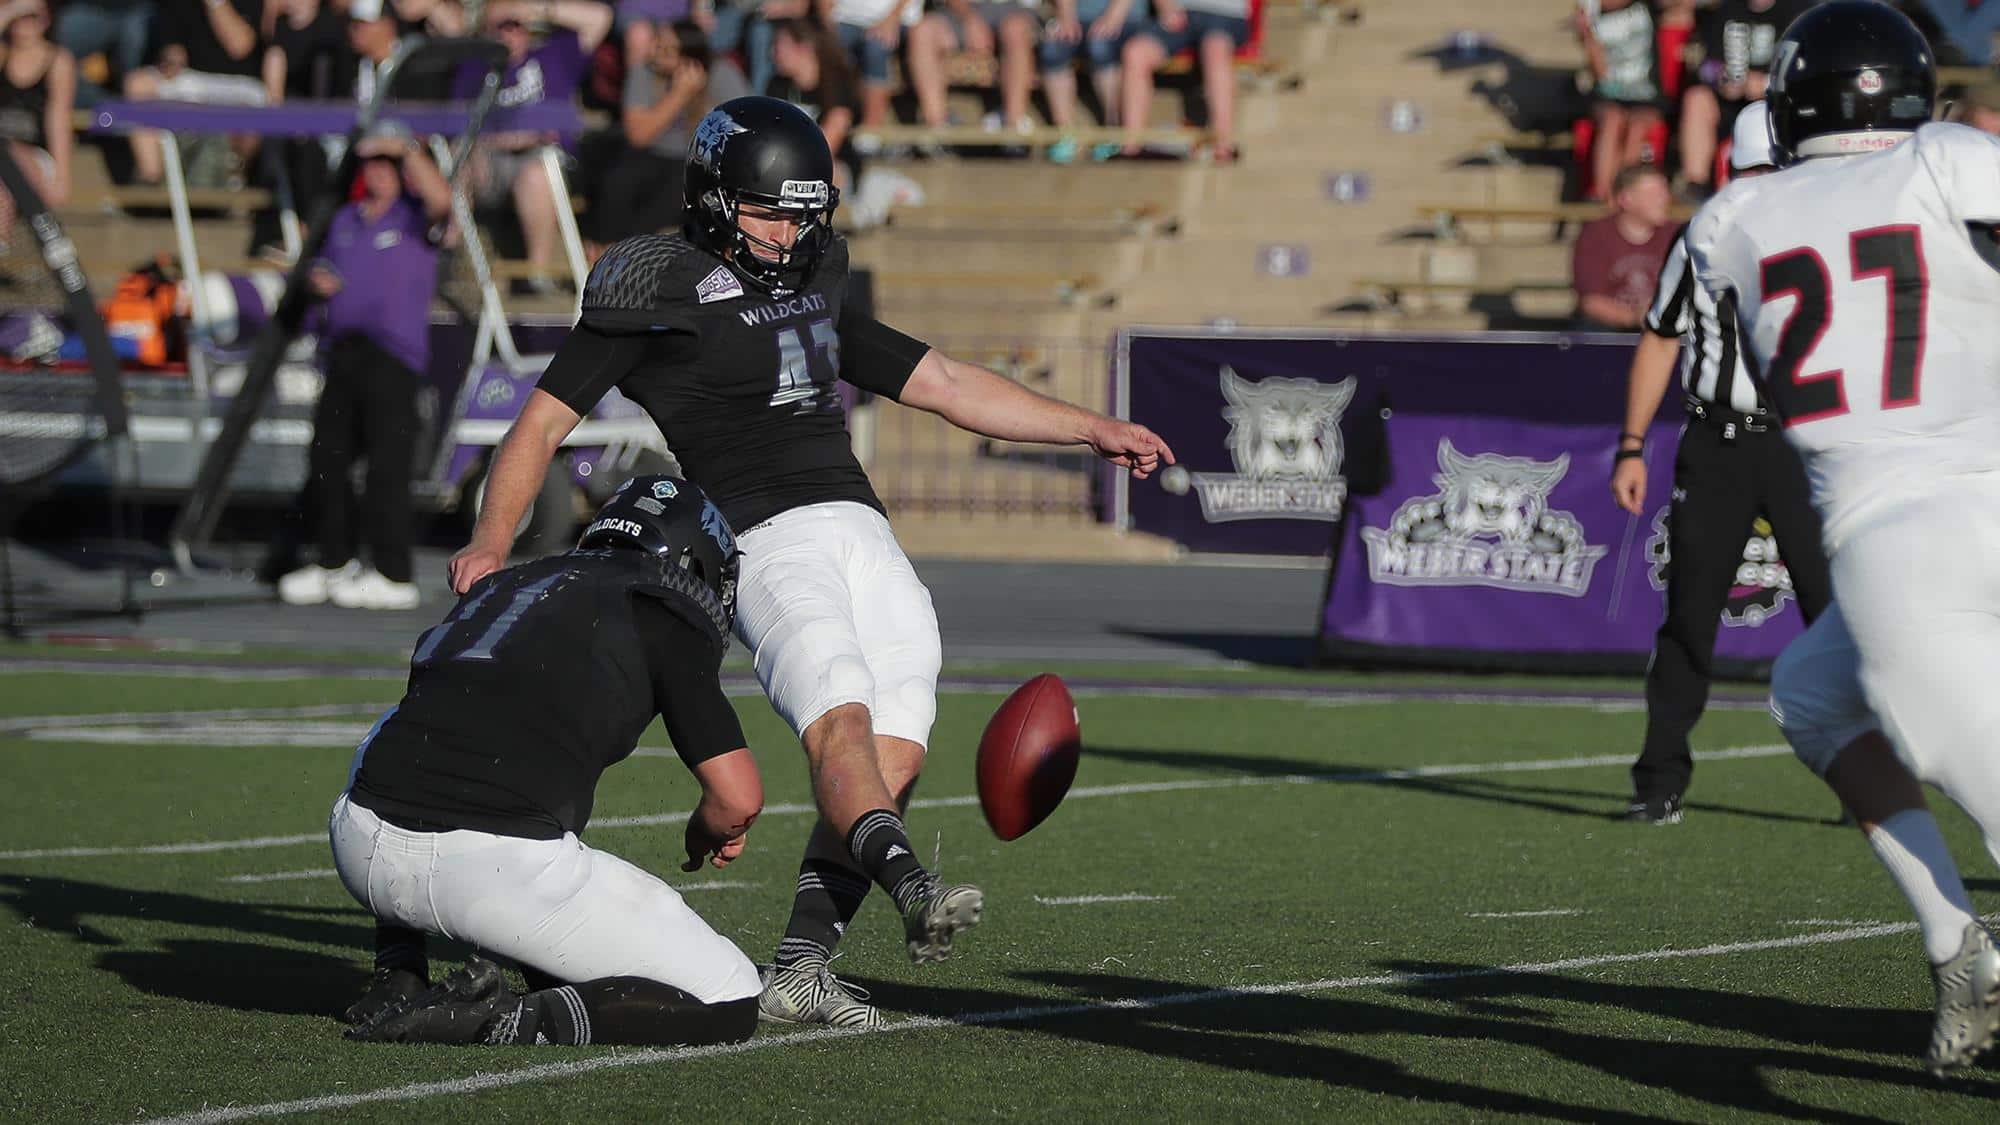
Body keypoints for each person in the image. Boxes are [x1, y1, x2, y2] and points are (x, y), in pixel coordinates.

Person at [448, 96, 1175, 1028]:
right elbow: (541, 424)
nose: (791, 231)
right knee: (839, 724)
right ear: (713, 200)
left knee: (899, 743)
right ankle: (914, 887)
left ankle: (801, 965)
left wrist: (1090, 428)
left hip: (863, 529)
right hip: (763, 539)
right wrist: (493, 539)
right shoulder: (653, 289)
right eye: (770, 210)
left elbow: (944, 384)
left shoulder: (816, 277)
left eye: (804, 212)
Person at [1686, 0, 2000, 1073]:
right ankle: (1952, 938)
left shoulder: (1729, 219)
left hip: (1895, 543)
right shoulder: (1948, 159)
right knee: (1810, 693)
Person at [336, 475, 767, 1047]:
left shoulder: (511, 583)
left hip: (361, 843)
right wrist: (706, 829)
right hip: (492, 871)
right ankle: (500, 1018)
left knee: (400, 731)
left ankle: (398, 969)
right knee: (730, 996)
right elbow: (738, 798)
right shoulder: (664, 609)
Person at [1611, 103, 1832, 824]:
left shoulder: (1828, 226)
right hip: (1721, 441)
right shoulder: (1702, 235)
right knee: (1690, 614)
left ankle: (1873, 782)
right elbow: (1659, 336)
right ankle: (1660, 778)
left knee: (1838, 616)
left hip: (1805, 442)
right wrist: (1632, 444)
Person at [277, 122, 452, 611]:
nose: (376, 173)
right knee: (327, 461)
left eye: (385, 165)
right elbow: (328, 272)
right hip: (343, 350)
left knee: (386, 469)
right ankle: (334, 561)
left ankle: (393, 572)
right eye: (370, 163)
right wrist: (319, 285)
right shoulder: (346, 220)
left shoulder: (414, 218)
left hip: (394, 356)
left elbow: (443, 202)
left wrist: (406, 147)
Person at [451, 0, 611, 295]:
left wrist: (536, 9)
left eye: (517, 25)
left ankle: (537, 274)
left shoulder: (554, 55)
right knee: (459, 155)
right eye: (503, 25)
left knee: (537, 175)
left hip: (543, 159)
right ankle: (452, 252)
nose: (510, 33)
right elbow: (459, 125)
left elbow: (600, 18)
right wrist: (501, 138)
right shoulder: (474, 66)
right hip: (490, 160)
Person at [591, 19, 745, 246]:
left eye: (667, 49)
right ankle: (605, 247)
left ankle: (633, 250)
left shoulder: (722, 74)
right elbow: (638, 136)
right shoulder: (644, 72)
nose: (656, 52)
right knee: (618, 181)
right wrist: (679, 94)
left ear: (688, 56)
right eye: (657, 42)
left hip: (697, 161)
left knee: (675, 192)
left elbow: (740, 129)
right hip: (651, 153)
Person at [1674, 0, 1814, 201]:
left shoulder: (1798, 12)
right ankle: (1696, 187)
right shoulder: (1726, 10)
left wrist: (1767, 83)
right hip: (1730, 103)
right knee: (1696, 98)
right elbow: (1705, 65)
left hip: (1779, 103)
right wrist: (1721, 79)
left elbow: (1808, 69)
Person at [122, 0, 270, 184]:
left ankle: (236, 179)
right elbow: (172, 44)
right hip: (193, 78)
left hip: (240, 83)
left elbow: (239, 46)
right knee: (138, 84)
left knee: (252, 113)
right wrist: (171, 55)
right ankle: (150, 178)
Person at [1114, 0, 1248, 161]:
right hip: (1180, 12)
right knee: (1135, 52)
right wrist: (1166, 7)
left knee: (1215, 50)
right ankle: (1131, 145)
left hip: (1224, 15)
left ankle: (1222, 145)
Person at [905, 0, 1039, 140]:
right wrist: (970, 18)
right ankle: (937, 128)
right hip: (959, 10)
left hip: (1012, 11)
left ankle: (1013, 126)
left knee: (1015, 29)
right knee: (922, 31)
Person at [1576, 1, 1665, 204]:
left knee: (1636, 128)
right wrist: (1587, 36)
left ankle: (1622, 196)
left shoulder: (1646, 6)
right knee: (1612, 119)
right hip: (1609, 96)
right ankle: (1602, 194)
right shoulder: (1590, 11)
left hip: (1647, 98)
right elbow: (1601, 74)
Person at [0, 0, 76, 238]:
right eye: (19, 17)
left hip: (34, 157)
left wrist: (62, 175)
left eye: (31, 16)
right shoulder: (3, 53)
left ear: (46, 18)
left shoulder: (57, 60)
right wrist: (10, 11)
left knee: (9, 157)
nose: (25, 23)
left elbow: (59, 118)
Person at [1570, 162, 1676, 330]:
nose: (1664, 199)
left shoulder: (1675, 234)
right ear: (1626, 199)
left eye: (1664, 191)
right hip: (1610, 329)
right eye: (1654, 193)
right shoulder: (1596, 235)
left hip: (1664, 326)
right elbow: (1591, 301)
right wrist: (1634, 317)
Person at [1038, 0, 1143, 163]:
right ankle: (1065, 133)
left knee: (1101, 46)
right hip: (1081, 18)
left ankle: (1113, 130)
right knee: (1053, 50)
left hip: (1126, 17)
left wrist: (1113, 16)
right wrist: (1066, 16)